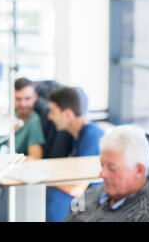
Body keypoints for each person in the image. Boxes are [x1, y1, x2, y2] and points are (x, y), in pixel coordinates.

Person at [65, 125, 149, 222]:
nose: (102, 174)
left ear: (139, 170)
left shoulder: (145, 215)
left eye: (112, 168)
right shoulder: (91, 194)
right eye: (102, 165)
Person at [45, 86, 104, 222]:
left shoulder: (92, 137)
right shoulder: (77, 136)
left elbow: (76, 189)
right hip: (86, 197)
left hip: (93, 202)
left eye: (53, 112)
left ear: (68, 114)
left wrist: (43, 179)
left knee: (54, 199)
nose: (49, 117)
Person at [12, 78, 45, 159]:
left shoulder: (34, 122)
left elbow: (34, 159)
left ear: (35, 97)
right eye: (18, 99)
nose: (23, 104)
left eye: (27, 98)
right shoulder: (10, 115)